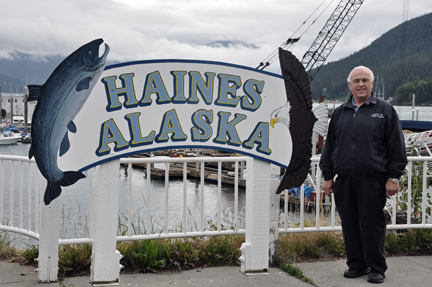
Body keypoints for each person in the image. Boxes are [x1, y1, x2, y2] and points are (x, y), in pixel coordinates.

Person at [319, 66, 407, 284]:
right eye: (356, 80)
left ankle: (377, 268)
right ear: (349, 85)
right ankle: (356, 264)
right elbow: (330, 146)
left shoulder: (385, 110)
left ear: (371, 84)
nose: (361, 84)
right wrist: (328, 176)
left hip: (373, 179)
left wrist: (393, 177)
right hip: (345, 179)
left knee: (372, 224)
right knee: (349, 224)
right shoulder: (340, 112)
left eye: (365, 80)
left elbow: (397, 146)